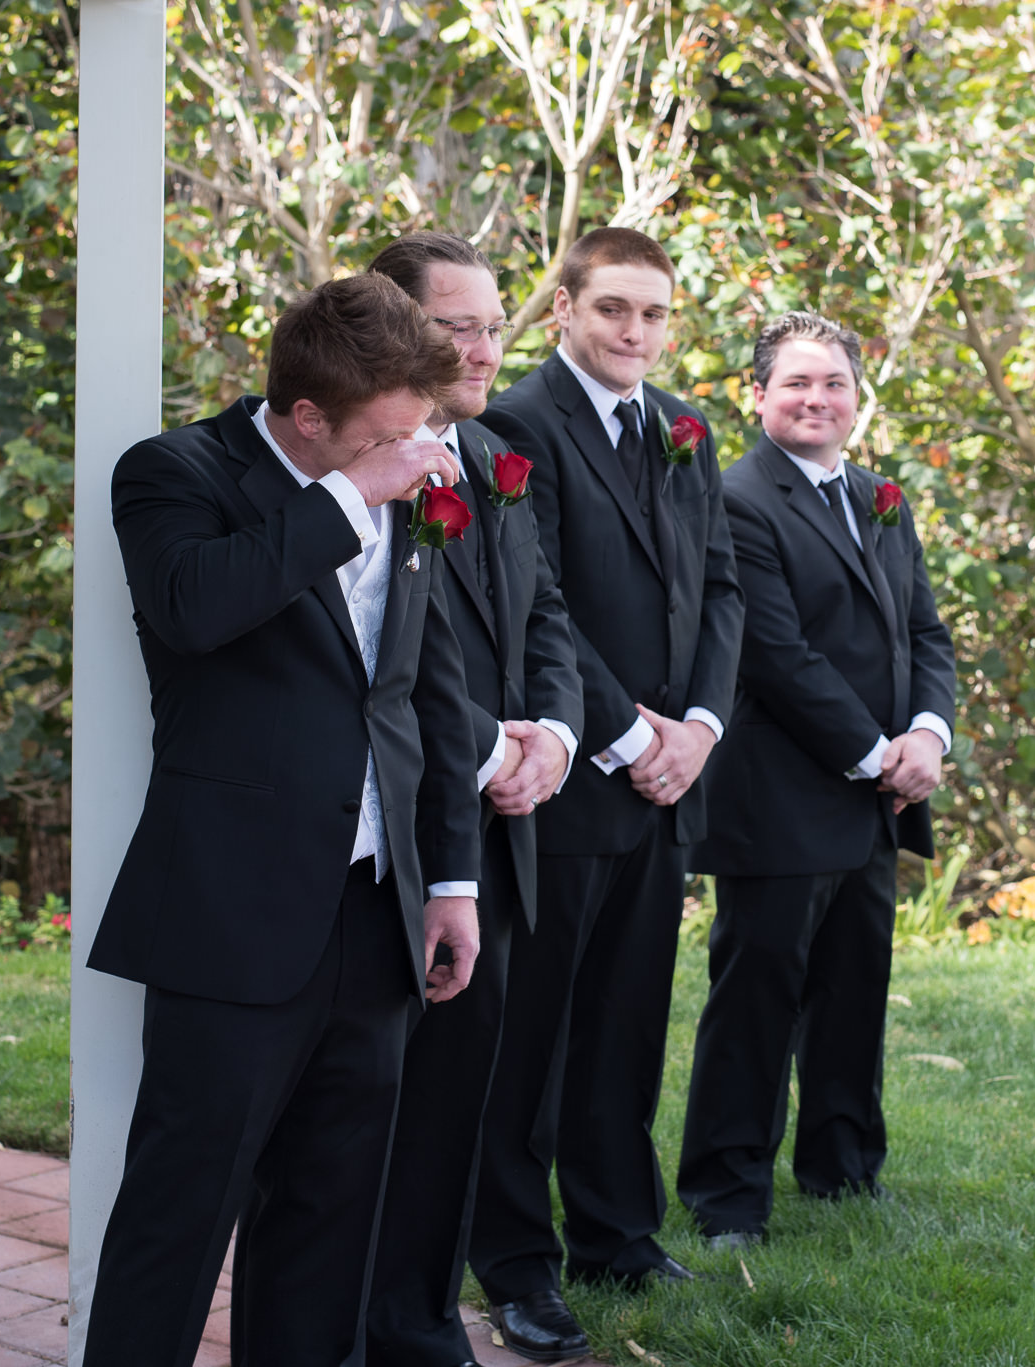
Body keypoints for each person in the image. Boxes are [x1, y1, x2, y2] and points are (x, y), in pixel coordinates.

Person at [85, 273, 484, 1367]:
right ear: (309, 415)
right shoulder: (177, 474)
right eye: (388, 436)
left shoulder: (397, 481)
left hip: (375, 911)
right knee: (177, 1219)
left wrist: (450, 877)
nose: (416, 455)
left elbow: (423, 695)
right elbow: (194, 606)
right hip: (232, 915)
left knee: (328, 1218)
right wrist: (355, 500)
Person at [468, 226, 744, 1361]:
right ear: (563, 312)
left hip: (668, 783)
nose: (635, 333)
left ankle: (617, 1231)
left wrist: (702, 732)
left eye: (653, 315)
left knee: (628, 1022)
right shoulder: (515, 424)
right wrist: (629, 733)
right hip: (574, 779)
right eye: (613, 310)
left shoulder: (683, 425)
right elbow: (537, 601)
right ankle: (517, 1263)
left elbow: (720, 586)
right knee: (531, 1035)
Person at [676, 312, 955, 1244]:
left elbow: (923, 630)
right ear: (758, 396)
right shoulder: (738, 497)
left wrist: (928, 732)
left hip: (877, 799)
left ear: (855, 396)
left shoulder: (880, 495)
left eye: (833, 383)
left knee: (852, 993)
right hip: (781, 797)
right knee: (756, 1001)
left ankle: (843, 1171)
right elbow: (777, 655)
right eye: (796, 383)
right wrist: (878, 756)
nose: (815, 399)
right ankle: (725, 1194)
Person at [362, 232, 585, 1367]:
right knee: (372, 1099)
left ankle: (417, 1318)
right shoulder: (361, 461)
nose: (486, 348)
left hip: (504, 829)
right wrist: (476, 751)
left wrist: (552, 731)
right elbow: (376, 655)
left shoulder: (497, 453)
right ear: (395, 329)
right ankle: (356, 1317)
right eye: (457, 327)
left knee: (463, 1091)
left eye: (496, 324)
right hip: (392, 832)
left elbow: (543, 612)